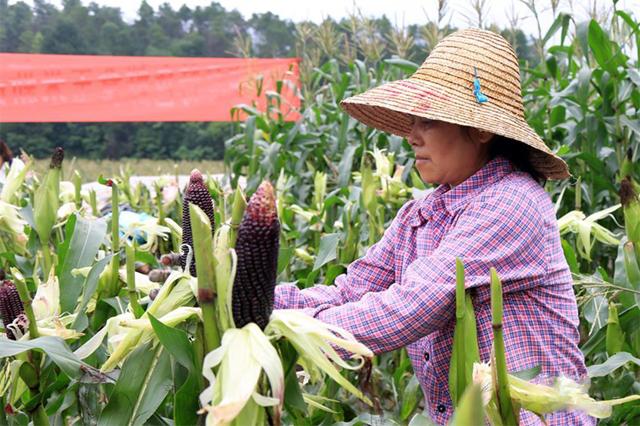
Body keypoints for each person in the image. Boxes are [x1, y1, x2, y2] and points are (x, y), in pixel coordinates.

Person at [274, 28, 593, 425]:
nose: (411, 135)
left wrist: (285, 328)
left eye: (428, 119)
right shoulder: (420, 214)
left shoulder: (513, 203)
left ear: (480, 129)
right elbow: (350, 292)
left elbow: (412, 308)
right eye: (413, 119)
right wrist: (257, 301)